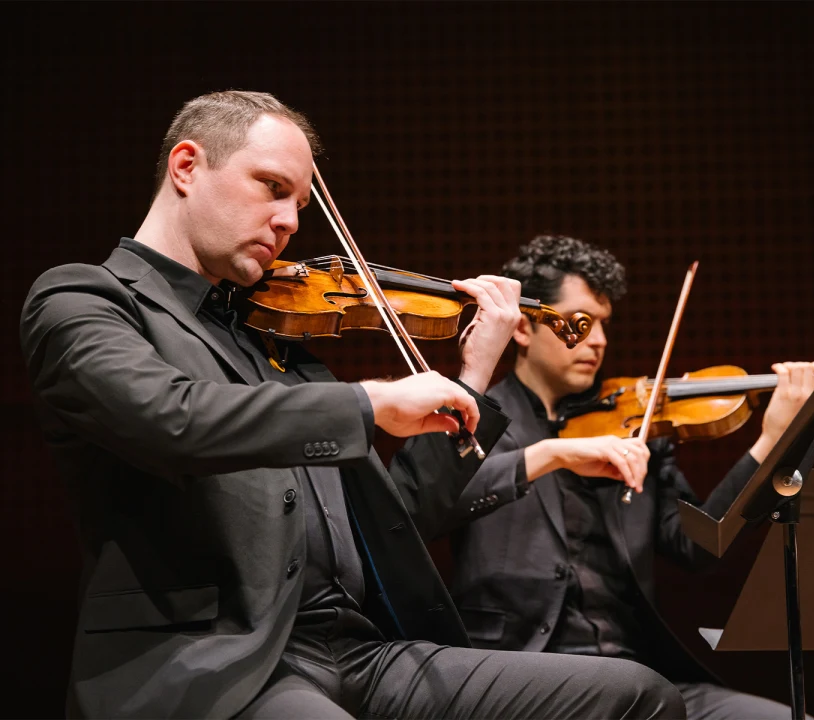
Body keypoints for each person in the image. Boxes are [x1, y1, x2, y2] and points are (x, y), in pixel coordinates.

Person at [20, 94, 685, 719]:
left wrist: (473, 373)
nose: (287, 222)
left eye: (300, 204)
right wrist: (369, 402)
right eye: (271, 187)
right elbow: (171, 419)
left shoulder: (278, 341)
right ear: (188, 166)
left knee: (637, 696)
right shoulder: (86, 302)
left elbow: (405, 516)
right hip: (213, 656)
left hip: (360, 650)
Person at [430, 235, 814, 720]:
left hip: (637, 675)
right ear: (524, 329)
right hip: (520, 672)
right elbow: (427, 505)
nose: (598, 340)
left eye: (604, 325)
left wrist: (771, 443)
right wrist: (548, 455)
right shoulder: (475, 415)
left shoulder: (636, 425)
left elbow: (698, 546)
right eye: (580, 322)